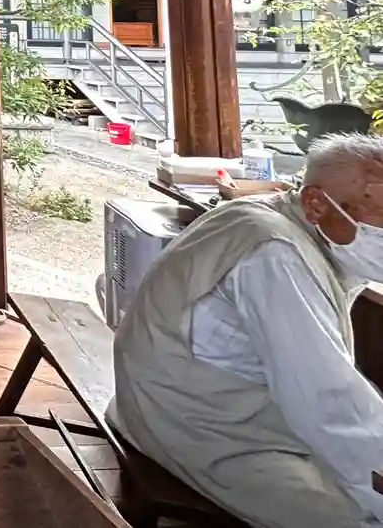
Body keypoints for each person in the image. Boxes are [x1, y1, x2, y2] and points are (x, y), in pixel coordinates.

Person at [110, 133, 383, 528]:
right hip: (191, 423)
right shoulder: (275, 253)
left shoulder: (274, 217)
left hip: (172, 399)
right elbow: (329, 402)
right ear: (315, 203)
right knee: (358, 518)